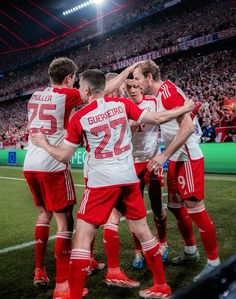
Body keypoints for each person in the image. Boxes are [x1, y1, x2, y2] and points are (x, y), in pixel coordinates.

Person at [31, 68, 194, 299]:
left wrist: (43, 143)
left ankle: (75, 294)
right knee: (143, 230)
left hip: (101, 183)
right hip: (127, 178)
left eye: (80, 87)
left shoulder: (80, 116)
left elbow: (64, 156)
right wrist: (185, 108)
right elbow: (157, 118)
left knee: (82, 236)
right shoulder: (122, 105)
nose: (78, 90)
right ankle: (161, 285)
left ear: (87, 90)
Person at [133, 60, 220, 281]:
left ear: (149, 77)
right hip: (176, 158)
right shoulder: (162, 93)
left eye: (138, 78)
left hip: (187, 157)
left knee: (195, 208)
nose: (137, 82)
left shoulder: (167, 93)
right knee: (174, 205)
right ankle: (190, 251)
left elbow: (188, 127)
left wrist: (163, 154)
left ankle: (214, 263)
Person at [23, 57, 86, 298]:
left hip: (30, 163)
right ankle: (63, 285)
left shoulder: (35, 96)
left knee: (43, 214)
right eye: (75, 79)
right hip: (52, 165)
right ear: (69, 78)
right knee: (64, 223)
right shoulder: (68, 95)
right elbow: (97, 89)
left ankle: (39, 270)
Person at [126, 74, 168, 268]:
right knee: (135, 211)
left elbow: (164, 119)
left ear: (141, 87)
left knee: (157, 206)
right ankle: (138, 252)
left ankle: (163, 244)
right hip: (132, 163)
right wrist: (131, 127)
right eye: (129, 87)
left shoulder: (154, 101)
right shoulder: (123, 107)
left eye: (136, 86)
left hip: (152, 161)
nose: (133, 90)